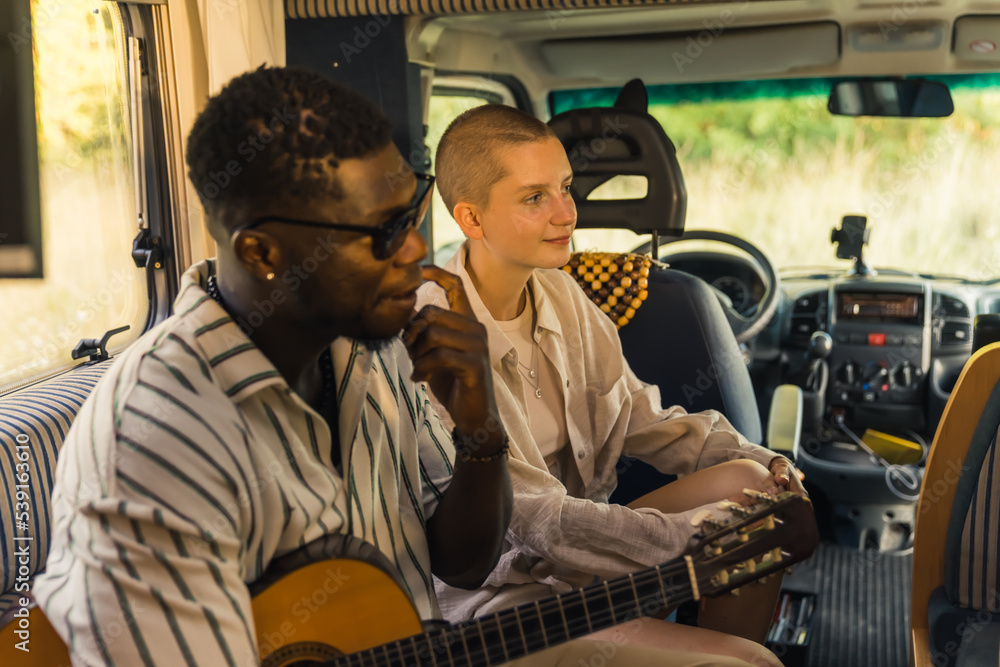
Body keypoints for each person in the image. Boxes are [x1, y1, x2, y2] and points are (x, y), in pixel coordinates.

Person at [33, 67, 756, 667]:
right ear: (263, 253)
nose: (415, 250)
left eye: (409, 212)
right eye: (381, 233)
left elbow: (463, 562)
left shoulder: (371, 351)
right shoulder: (157, 438)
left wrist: (480, 429)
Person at [417, 103, 810, 666]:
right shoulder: (437, 335)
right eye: (535, 198)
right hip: (500, 596)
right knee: (757, 666)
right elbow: (536, 525)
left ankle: (722, 642)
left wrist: (773, 468)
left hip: (580, 556)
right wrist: (701, 541)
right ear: (471, 219)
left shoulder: (562, 294)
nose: (567, 214)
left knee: (752, 485)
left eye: (566, 188)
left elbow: (642, 417)